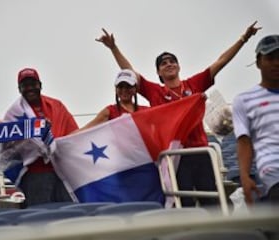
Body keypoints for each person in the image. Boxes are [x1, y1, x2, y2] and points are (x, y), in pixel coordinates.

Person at [96, 22, 261, 207]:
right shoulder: (155, 92)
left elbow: (221, 62)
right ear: (158, 71)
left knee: (213, 201)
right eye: (163, 63)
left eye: (172, 61)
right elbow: (130, 72)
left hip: (201, 152)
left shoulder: (194, 85)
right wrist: (113, 48)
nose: (169, 64)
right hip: (176, 156)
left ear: (179, 66)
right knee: (185, 201)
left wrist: (243, 39)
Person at [4, 67, 79, 206]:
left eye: (33, 84)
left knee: (70, 216)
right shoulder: (13, 114)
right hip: (34, 174)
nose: (30, 88)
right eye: (25, 85)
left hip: (63, 172)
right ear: (19, 89)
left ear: (40, 85)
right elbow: (8, 148)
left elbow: (74, 135)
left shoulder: (57, 105)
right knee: (40, 220)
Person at [232, 34, 279, 206]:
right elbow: (244, 141)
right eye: (270, 58)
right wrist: (244, 176)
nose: (276, 63)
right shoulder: (244, 100)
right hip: (274, 173)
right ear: (259, 62)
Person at [79, 69, 148, 131]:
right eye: (120, 87)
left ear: (135, 88)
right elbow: (86, 129)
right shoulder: (110, 111)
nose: (124, 90)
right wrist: (68, 139)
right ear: (115, 89)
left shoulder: (146, 111)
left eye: (128, 86)